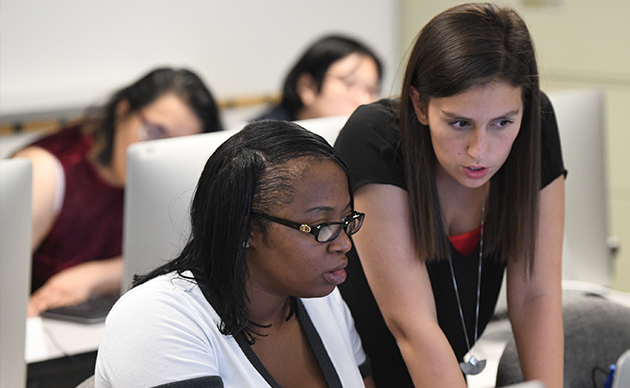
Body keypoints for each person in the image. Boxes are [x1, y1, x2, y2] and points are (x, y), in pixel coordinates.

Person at [334, 3, 566, 388]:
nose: (481, 150)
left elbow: (536, 296)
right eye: (460, 123)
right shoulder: (374, 140)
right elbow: (413, 328)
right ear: (420, 105)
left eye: (502, 123)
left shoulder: (535, 126)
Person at [95, 120, 375, 388]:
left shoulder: (323, 302)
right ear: (246, 229)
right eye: (321, 226)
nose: (344, 244)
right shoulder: (156, 319)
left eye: (347, 220)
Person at [13, 67, 223, 317]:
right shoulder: (48, 171)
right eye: (154, 132)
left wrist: (97, 276)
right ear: (122, 112)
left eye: (176, 146)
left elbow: (199, 256)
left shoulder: (177, 175)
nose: (159, 153)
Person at [254, 34, 383, 122]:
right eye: (350, 84)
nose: (364, 101)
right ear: (307, 87)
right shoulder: (255, 143)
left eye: (372, 90)